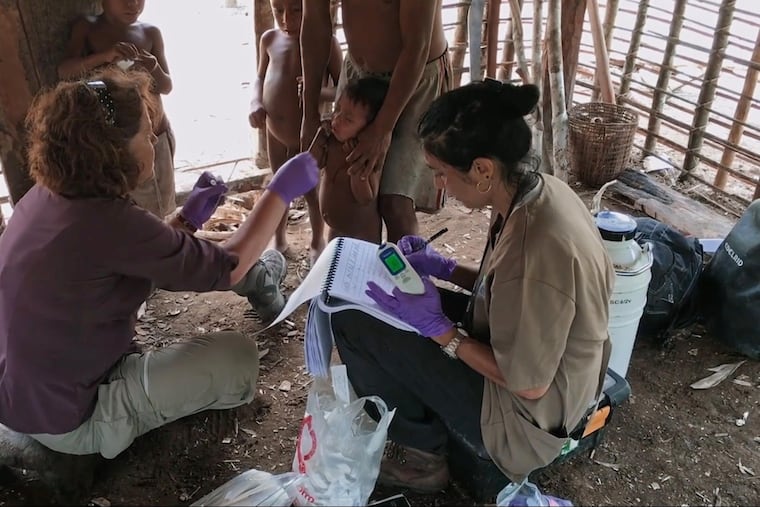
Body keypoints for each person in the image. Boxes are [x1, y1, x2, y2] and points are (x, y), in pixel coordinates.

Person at [0, 68, 319, 462]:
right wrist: (280, 191)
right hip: (69, 417)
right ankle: (120, 416)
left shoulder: (49, 195)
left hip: (27, 392)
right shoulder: (111, 222)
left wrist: (187, 222)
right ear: (113, 151)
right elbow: (229, 266)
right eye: (147, 135)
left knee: (209, 262)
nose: (154, 140)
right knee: (238, 359)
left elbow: (139, 253)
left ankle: (262, 278)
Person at [328, 80, 615, 493]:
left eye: (441, 174)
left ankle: (423, 456)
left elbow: (529, 382)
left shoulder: (536, 250)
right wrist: (444, 268)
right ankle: (425, 415)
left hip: (526, 418)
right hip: (528, 360)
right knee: (373, 306)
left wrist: (441, 332)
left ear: (482, 169)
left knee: (355, 322)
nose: (440, 185)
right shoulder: (537, 192)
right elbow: (504, 290)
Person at [300, 0, 451, 244]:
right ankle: (348, 274)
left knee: (396, 204)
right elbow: (315, 22)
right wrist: (309, 115)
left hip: (416, 76)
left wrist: (382, 128)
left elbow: (416, 45)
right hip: (358, 77)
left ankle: (403, 279)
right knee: (346, 195)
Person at [58, 0, 177, 219]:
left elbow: (166, 86)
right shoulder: (88, 27)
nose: (133, 5)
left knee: (159, 205)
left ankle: (161, 243)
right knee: (127, 206)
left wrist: (153, 67)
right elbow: (65, 71)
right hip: (115, 140)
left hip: (156, 134)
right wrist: (104, 57)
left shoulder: (150, 32)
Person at [249, 0, 342, 264]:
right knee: (279, 187)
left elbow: (344, 88)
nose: (286, 20)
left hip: (309, 133)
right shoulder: (269, 39)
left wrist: (318, 91)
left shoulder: (326, 43)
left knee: (312, 191)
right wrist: (256, 102)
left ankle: (316, 241)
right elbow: (258, 77)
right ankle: (279, 239)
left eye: (296, 10)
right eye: (278, 11)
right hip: (275, 131)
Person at [308, 77, 389, 244]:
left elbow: (365, 198)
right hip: (335, 230)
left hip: (362, 236)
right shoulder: (333, 139)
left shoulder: (368, 154)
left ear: (369, 128)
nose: (336, 119)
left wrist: (355, 165)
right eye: (337, 110)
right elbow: (312, 165)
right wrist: (319, 137)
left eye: (348, 119)